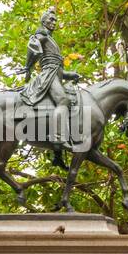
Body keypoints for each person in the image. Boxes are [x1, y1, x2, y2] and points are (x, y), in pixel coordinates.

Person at [20, 9, 83, 149]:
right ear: (43, 21)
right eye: (51, 19)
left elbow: (56, 67)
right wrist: (28, 66)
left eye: (55, 20)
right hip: (49, 75)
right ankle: (58, 137)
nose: (53, 22)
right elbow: (33, 47)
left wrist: (69, 74)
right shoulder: (42, 34)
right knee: (63, 100)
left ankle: (58, 154)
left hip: (55, 73)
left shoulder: (51, 39)